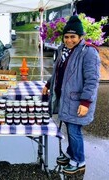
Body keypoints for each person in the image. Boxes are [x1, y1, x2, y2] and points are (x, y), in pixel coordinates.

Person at [42, 15, 100, 175]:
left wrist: (86, 102)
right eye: (66, 37)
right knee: (69, 128)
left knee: (74, 131)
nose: (69, 40)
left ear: (80, 37)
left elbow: (92, 80)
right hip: (65, 99)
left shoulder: (88, 52)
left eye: (72, 37)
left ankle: (79, 161)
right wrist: (49, 84)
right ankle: (71, 153)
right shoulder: (63, 50)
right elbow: (58, 72)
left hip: (77, 100)